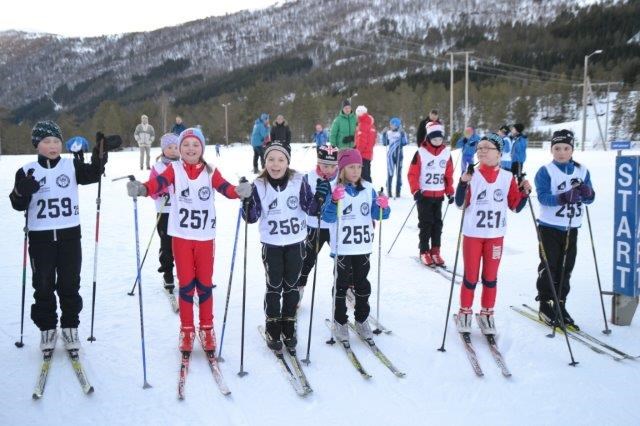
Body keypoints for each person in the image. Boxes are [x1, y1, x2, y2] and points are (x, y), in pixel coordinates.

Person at [126, 127, 253, 352]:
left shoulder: (210, 171)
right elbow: (157, 184)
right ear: (180, 148)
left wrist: (240, 191)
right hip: (182, 237)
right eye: (186, 144)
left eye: (195, 144)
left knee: (204, 285)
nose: (190, 148)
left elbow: (227, 189)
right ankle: (186, 330)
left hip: (205, 238)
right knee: (186, 286)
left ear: (202, 148)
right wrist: (143, 189)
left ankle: (206, 328)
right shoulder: (174, 169)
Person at [9, 121, 108, 352]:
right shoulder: (26, 170)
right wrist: (21, 191)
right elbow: (17, 203)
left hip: (70, 236)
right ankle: (47, 329)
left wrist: (100, 155)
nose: (52, 146)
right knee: (43, 285)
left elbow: (94, 174)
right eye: (46, 141)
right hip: (40, 238)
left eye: (56, 141)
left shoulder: (71, 166)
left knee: (69, 284)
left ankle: (70, 327)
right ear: (37, 144)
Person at [242, 141, 329, 351]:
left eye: (281, 159)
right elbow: (251, 217)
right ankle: (272, 324)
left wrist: (320, 197)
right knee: (274, 286)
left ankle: (288, 322)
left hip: (296, 243)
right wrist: (246, 201)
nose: (275, 164)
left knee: (291, 285)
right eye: (271, 159)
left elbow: (311, 209)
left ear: (287, 162)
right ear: (265, 162)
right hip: (271, 244)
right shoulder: (259, 185)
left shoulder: (298, 181)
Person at [453, 133, 531, 334]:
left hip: (495, 235)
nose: (482, 151)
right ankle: (465, 311)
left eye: (487, 148)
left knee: (490, 277)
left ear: (499, 153)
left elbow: (515, 206)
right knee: (470, 276)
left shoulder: (507, 177)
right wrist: (462, 183)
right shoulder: (473, 174)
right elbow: (460, 204)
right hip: (473, 235)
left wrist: (524, 192)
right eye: (480, 147)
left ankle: (487, 312)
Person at [322, 148, 390, 342]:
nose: (355, 171)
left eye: (358, 167)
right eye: (351, 167)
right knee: (341, 286)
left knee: (362, 286)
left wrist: (383, 206)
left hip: (362, 247)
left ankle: (361, 319)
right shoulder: (334, 188)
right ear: (342, 168)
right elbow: (326, 217)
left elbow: (380, 215)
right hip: (342, 248)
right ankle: (340, 321)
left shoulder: (368, 188)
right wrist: (334, 201)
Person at [533, 129, 595, 329]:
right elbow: (542, 197)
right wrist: (562, 197)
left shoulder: (582, 170)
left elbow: (590, 198)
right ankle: (546, 303)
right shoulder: (546, 171)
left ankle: (560, 303)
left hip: (572, 227)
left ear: (572, 149)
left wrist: (586, 192)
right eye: (557, 148)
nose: (561, 152)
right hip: (550, 227)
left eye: (566, 148)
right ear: (551, 150)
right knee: (549, 266)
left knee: (566, 268)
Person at [296, 145, 339, 305]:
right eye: (325, 165)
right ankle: (299, 288)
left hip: (335, 227)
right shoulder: (309, 177)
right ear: (318, 163)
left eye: (332, 166)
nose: (328, 169)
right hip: (315, 227)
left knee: (342, 260)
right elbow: (304, 203)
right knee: (307, 260)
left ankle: (345, 289)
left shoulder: (342, 176)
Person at [408, 122, 454, 266]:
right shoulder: (421, 152)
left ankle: (436, 251)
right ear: (428, 138)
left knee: (438, 224)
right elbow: (412, 173)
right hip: (424, 195)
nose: (437, 142)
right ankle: (424, 251)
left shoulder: (446, 153)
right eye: (434, 140)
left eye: (440, 139)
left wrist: (450, 192)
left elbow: (448, 175)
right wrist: (415, 190)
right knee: (426, 224)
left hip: (439, 195)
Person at [149, 133, 180, 290]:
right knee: (167, 244)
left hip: (182, 212)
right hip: (165, 211)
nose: (174, 150)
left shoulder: (183, 164)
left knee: (183, 244)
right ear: (163, 149)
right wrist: (161, 191)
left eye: (176, 147)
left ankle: (185, 273)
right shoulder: (158, 167)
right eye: (170, 147)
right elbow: (151, 188)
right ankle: (167, 272)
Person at [382, 117, 408, 198]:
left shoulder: (401, 133)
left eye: (393, 124)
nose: (391, 126)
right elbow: (385, 143)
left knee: (398, 174)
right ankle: (389, 191)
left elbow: (405, 143)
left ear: (397, 125)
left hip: (399, 156)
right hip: (390, 156)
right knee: (390, 173)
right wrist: (384, 134)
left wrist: (403, 134)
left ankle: (398, 191)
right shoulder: (389, 133)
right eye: (391, 124)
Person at [354, 105, 376, 182]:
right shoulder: (371, 124)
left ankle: (367, 191)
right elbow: (373, 140)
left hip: (362, 154)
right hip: (369, 153)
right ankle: (368, 190)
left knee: (363, 175)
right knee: (366, 173)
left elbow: (362, 141)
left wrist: (357, 151)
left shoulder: (363, 124)